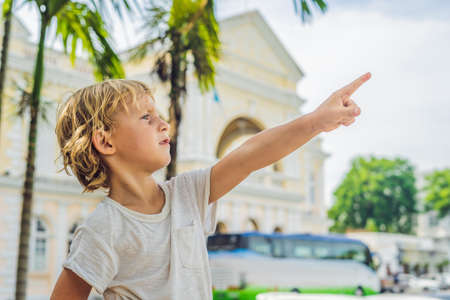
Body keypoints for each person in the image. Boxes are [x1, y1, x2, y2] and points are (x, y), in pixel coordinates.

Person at [50, 72, 371, 299]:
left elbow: (249, 155)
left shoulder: (187, 194)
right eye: (146, 117)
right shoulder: (104, 228)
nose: (164, 124)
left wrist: (316, 120)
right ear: (105, 141)